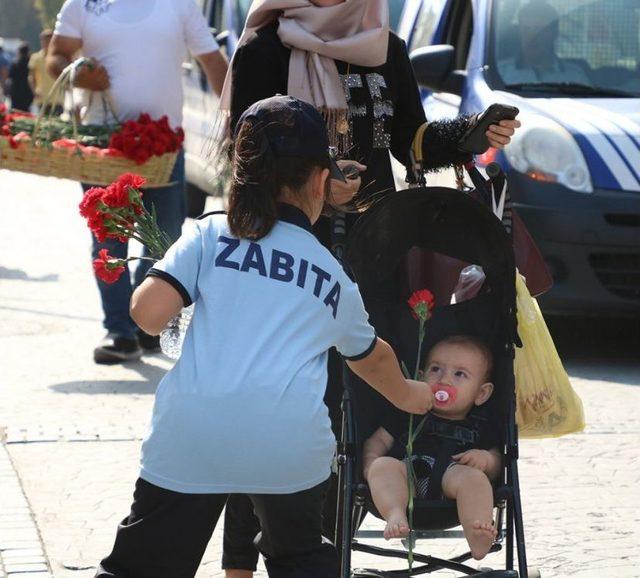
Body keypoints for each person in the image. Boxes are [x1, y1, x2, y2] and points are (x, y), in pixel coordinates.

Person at [219, 2, 520, 575]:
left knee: (349, 409)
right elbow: (245, 158)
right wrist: (316, 185)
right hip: (285, 255)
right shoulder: (266, 51)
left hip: (373, 255)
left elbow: (412, 139)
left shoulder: (385, 48)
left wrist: (467, 134)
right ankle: (239, 566)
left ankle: (319, 553)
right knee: (273, 409)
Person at [94, 95, 434, 578]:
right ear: (321, 181)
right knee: (299, 554)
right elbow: (371, 357)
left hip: (194, 437)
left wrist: (175, 266)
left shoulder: (208, 236)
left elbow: (147, 316)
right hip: (287, 447)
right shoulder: (331, 273)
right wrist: (411, 394)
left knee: (144, 564)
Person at [47, 0, 229, 364]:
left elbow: (212, 61)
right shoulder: (82, 5)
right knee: (109, 241)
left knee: (166, 240)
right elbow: (56, 57)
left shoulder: (180, 6)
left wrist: (239, 115)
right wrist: (80, 73)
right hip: (103, 143)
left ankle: (142, 322)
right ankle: (120, 331)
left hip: (163, 146)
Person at [364, 335, 501, 560]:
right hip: (406, 473)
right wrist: (371, 464)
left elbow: (498, 460)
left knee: (475, 480)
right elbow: (378, 440)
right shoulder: (405, 410)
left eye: (459, 374)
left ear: (481, 393)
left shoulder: (480, 425)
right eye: (436, 369)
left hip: (451, 476)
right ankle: (395, 513)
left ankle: (478, 533)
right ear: (420, 377)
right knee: (382, 466)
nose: (444, 380)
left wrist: (486, 459)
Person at [498, 0, 590, 85]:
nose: (531, 37)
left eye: (539, 30)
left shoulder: (575, 76)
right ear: (519, 33)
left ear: (554, 33)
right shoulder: (499, 74)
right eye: (526, 29)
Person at [29, 30, 64, 115]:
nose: (47, 43)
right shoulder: (36, 58)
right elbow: (31, 77)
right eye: (45, 41)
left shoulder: (59, 57)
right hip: (42, 98)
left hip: (57, 99)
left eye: (50, 41)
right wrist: (35, 91)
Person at [7, 43, 34, 111]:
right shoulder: (31, 63)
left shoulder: (15, 63)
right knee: (26, 112)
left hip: (16, 91)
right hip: (28, 91)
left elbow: (10, 76)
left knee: (15, 112)